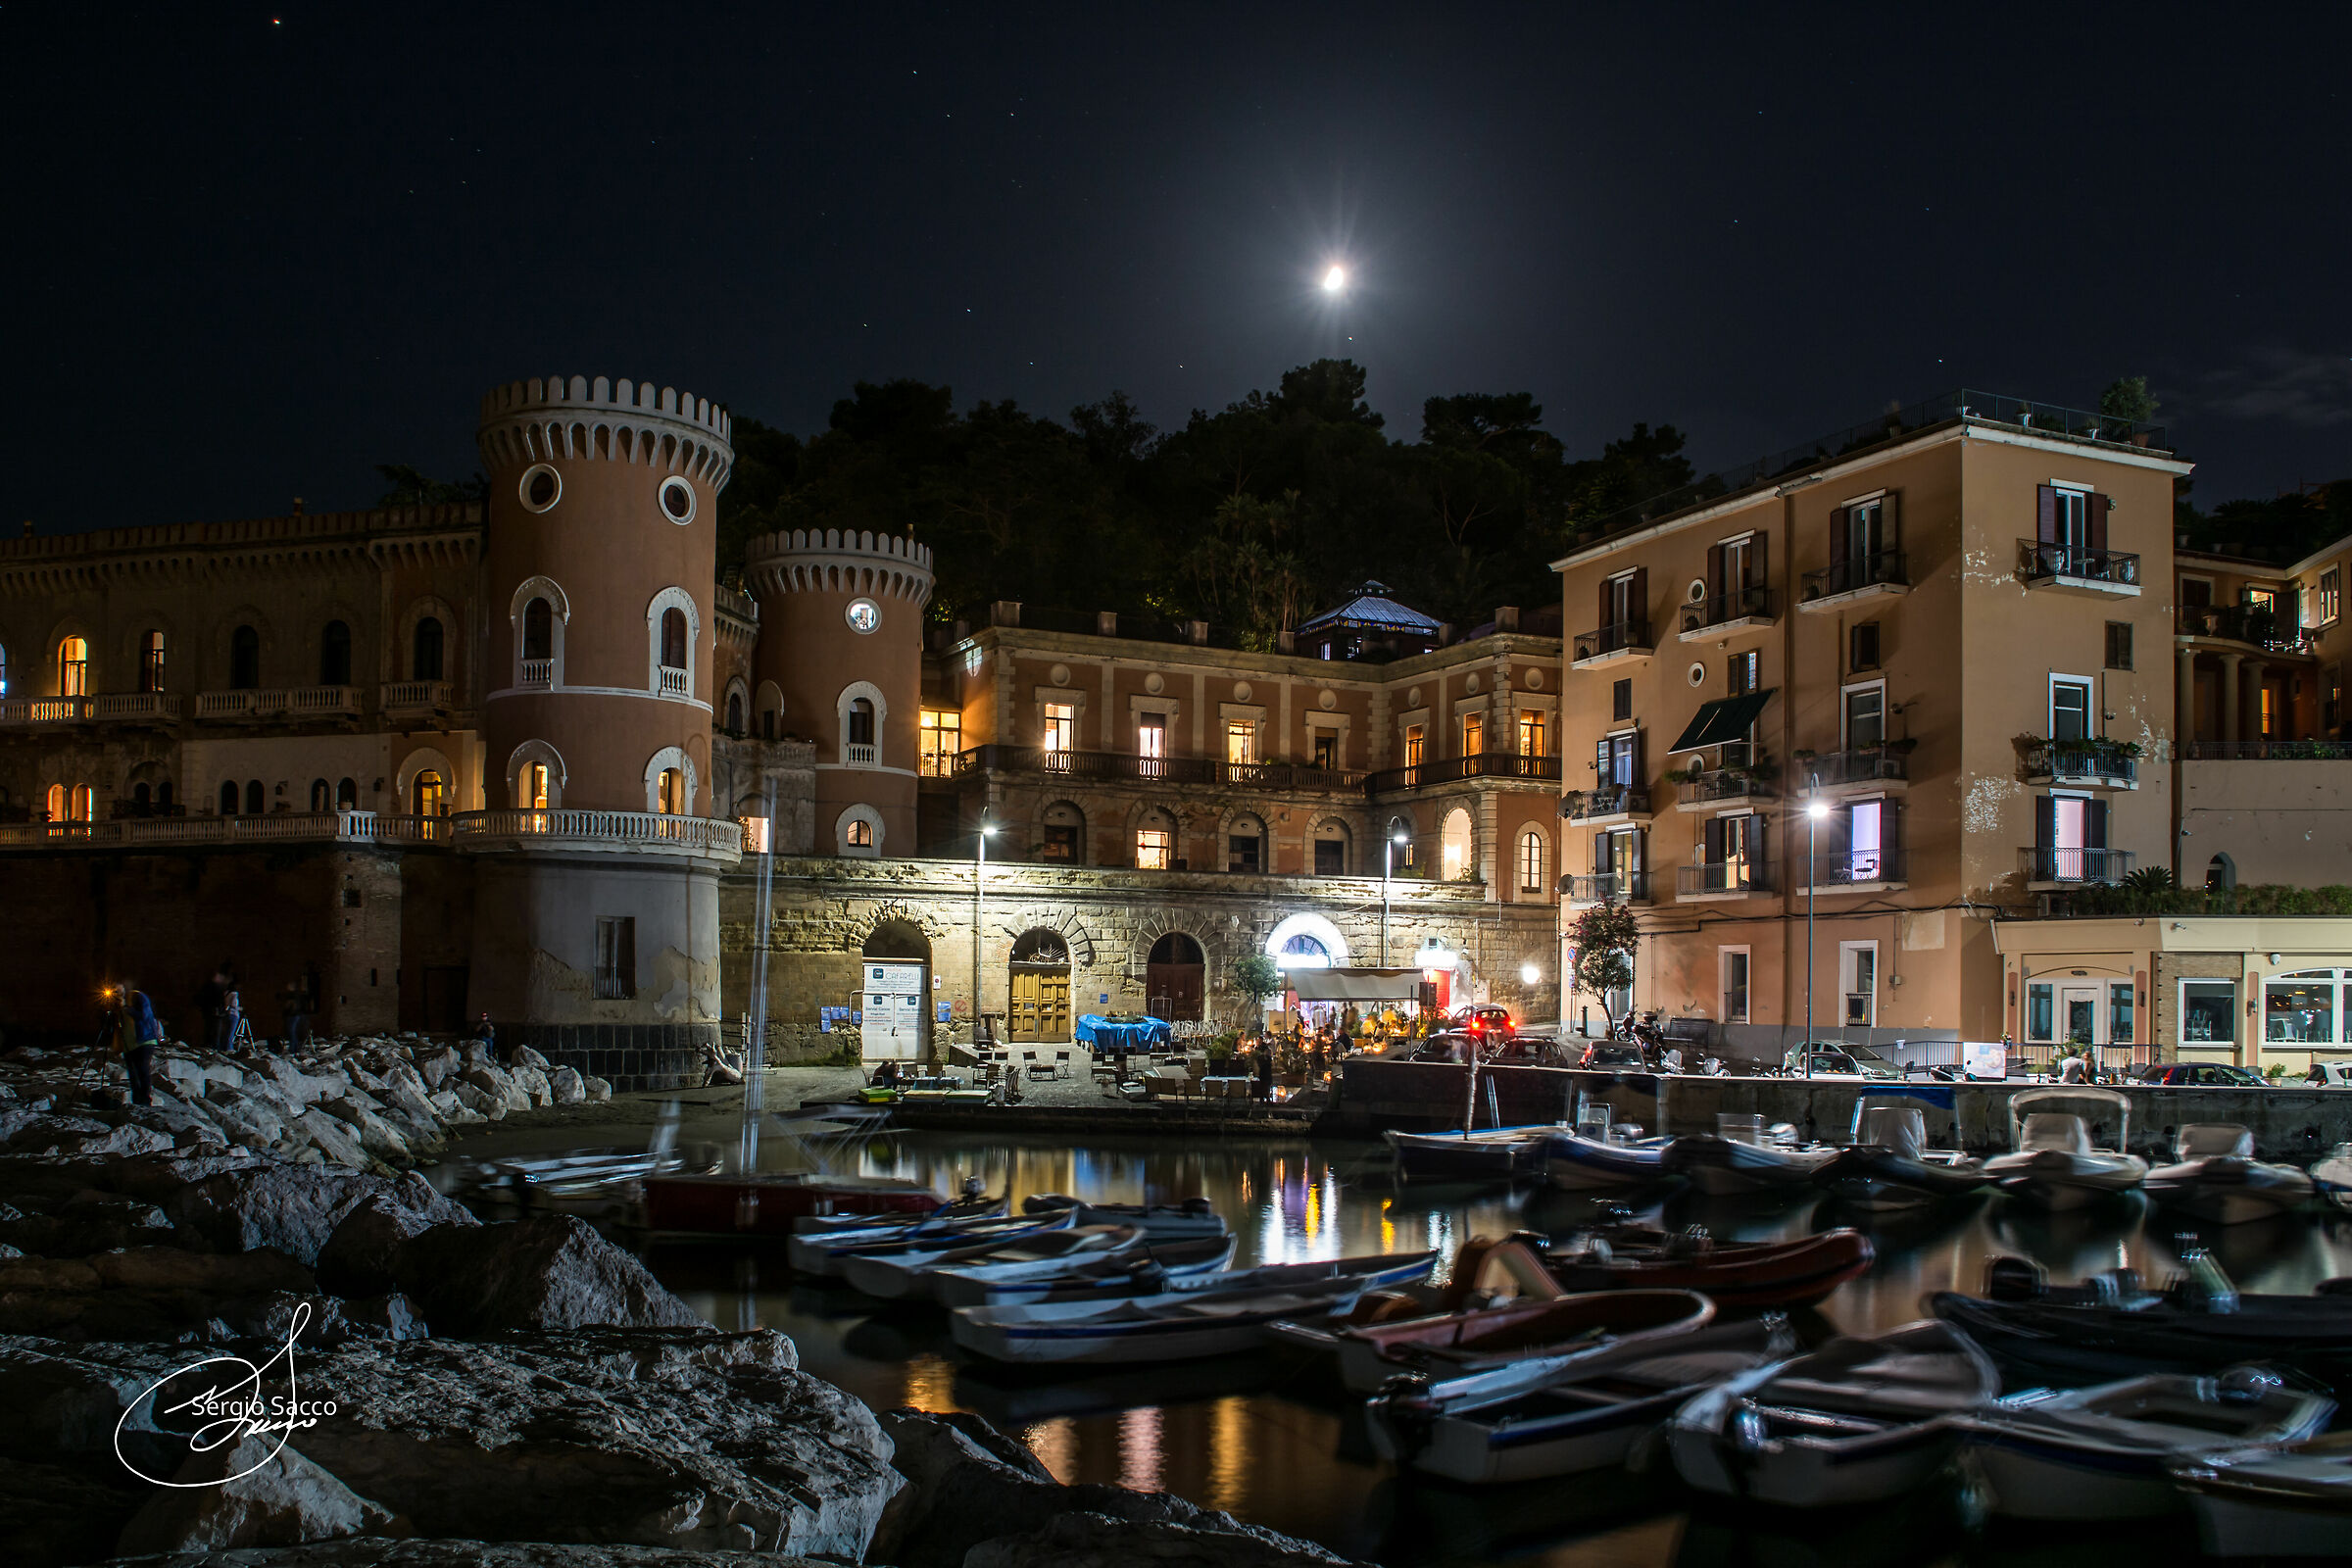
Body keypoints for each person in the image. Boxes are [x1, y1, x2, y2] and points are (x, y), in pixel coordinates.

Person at [106, 983, 164, 1106]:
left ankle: (145, 1101)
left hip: (144, 1041)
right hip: (129, 1045)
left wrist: (126, 1008)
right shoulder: (118, 1004)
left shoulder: (138, 997)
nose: (116, 992)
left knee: (142, 1070)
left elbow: (144, 1016)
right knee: (133, 1075)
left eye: (118, 989)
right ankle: (137, 1102)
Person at [197, 963, 229, 1054]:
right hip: (215, 1012)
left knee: (210, 1030)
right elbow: (219, 1000)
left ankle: (210, 1045)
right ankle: (215, 1047)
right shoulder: (215, 988)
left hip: (210, 1012)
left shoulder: (208, 987)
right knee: (216, 1031)